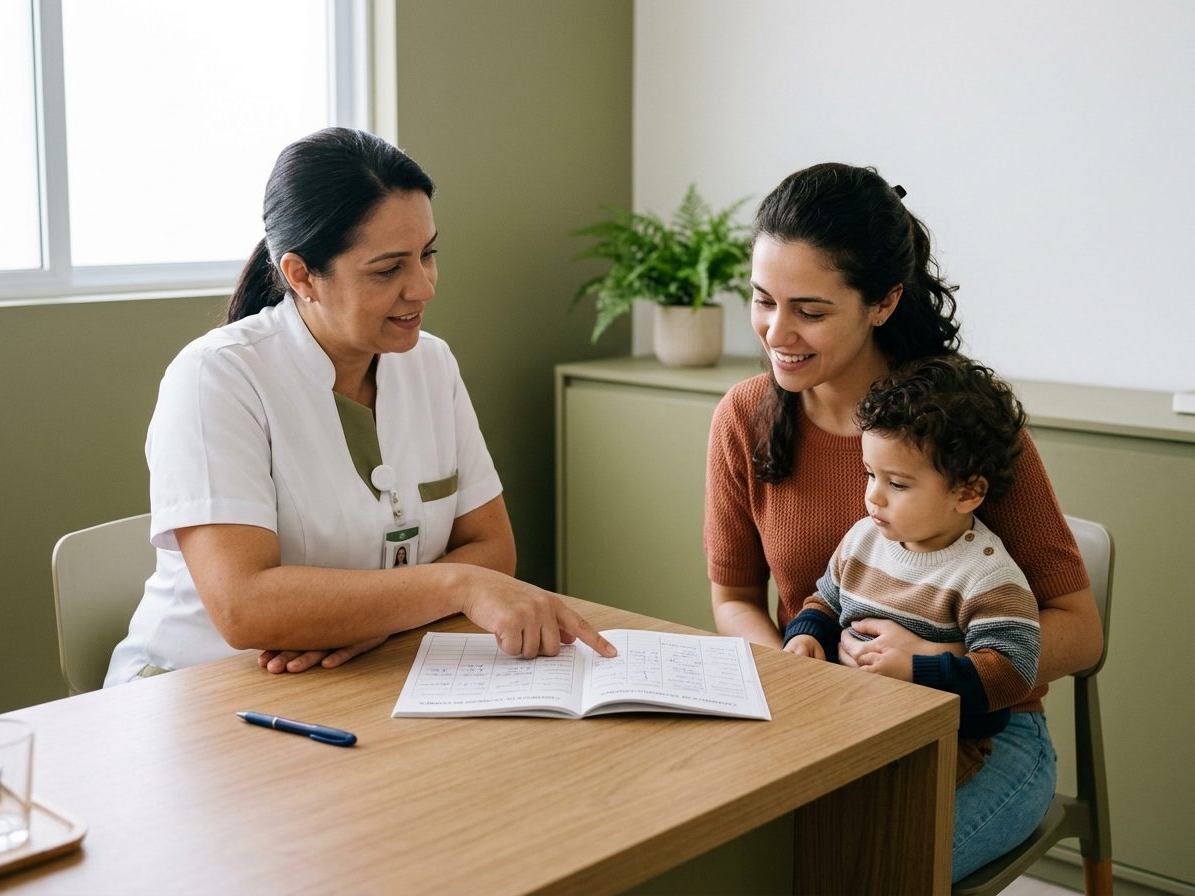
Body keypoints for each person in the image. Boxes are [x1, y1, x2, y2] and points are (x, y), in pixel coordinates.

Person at [703, 162, 1102, 881]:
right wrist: (795, 675)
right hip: (826, 716)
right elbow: (733, 598)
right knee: (726, 855)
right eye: (762, 300)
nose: (776, 332)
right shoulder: (745, 417)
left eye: (810, 310)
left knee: (856, 869)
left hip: (984, 733)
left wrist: (930, 669)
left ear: (883, 301)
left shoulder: (958, 423)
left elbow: (1078, 624)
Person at [105, 127, 614, 687]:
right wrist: (453, 587)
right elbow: (244, 607)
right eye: (388, 269)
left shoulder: (431, 363)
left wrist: (373, 619)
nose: (423, 288)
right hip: (198, 688)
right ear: (302, 276)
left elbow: (493, 548)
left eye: (429, 255)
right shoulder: (216, 377)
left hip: (362, 673)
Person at [783, 354, 1040, 787]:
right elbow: (825, 602)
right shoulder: (863, 539)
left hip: (942, 741)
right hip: (852, 716)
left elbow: (1013, 673)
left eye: (897, 484)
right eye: (870, 475)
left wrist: (916, 669)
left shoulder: (987, 577)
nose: (874, 498)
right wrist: (807, 634)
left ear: (968, 492)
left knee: (872, 825)